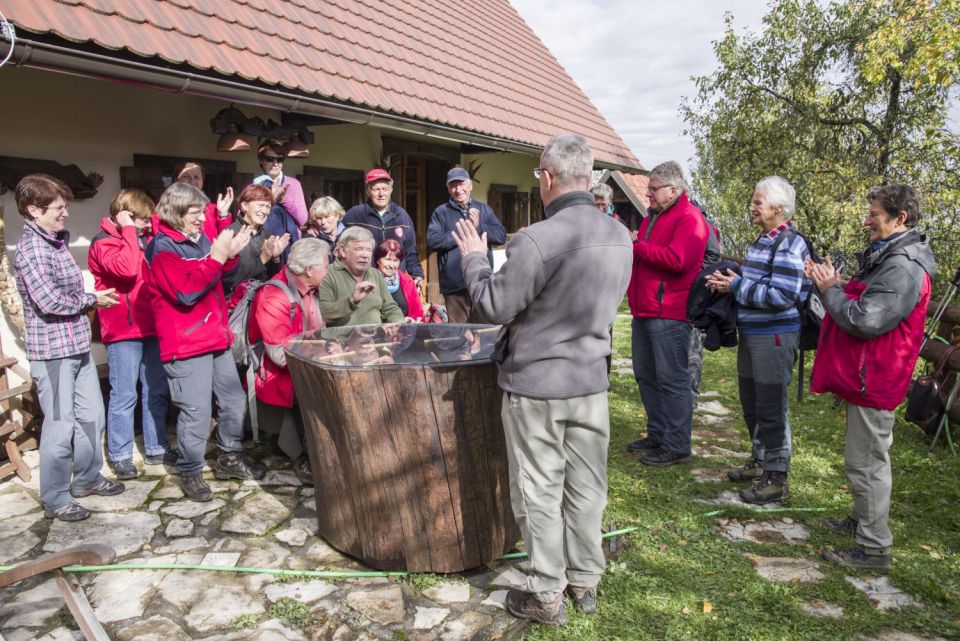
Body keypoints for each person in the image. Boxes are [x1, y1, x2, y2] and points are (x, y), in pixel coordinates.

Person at [453, 134, 632, 626]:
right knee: (588, 486)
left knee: (538, 489)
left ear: (548, 179)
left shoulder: (536, 238)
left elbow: (492, 306)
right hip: (590, 379)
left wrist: (473, 257)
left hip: (538, 386)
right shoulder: (621, 236)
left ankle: (546, 592)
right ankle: (585, 581)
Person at [807, 185, 935, 571]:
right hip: (867, 374)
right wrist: (837, 286)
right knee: (862, 458)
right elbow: (866, 301)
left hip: (876, 377)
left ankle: (874, 546)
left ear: (901, 219)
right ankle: (863, 520)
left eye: (874, 214)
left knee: (866, 463)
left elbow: (866, 319)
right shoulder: (890, 257)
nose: (866, 220)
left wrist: (830, 291)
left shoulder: (903, 266)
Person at [13, 174, 123, 522]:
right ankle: (56, 497)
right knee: (60, 426)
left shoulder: (57, 242)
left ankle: (87, 478)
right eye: (58, 208)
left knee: (92, 416)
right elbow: (48, 301)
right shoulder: (30, 250)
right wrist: (92, 299)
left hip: (76, 347)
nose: (65, 214)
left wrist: (86, 299)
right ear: (33, 209)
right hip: (53, 353)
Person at [146, 182, 265, 502]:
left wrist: (228, 259)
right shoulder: (162, 247)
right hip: (184, 343)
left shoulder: (199, 241)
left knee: (233, 400)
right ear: (175, 213)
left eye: (202, 212)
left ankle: (229, 456)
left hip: (215, 336)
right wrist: (217, 256)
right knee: (196, 411)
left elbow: (222, 280)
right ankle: (191, 470)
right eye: (194, 213)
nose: (201, 219)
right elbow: (185, 292)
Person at [706, 176, 810, 504]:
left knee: (771, 405)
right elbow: (757, 285)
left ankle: (777, 478)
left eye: (757, 203)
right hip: (753, 335)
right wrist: (731, 282)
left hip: (775, 336)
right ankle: (760, 460)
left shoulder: (790, 243)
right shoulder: (763, 240)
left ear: (779, 208)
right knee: (751, 403)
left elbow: (782, 295)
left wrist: (735, 286)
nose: (752, 208)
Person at [88, 189, 177, 481]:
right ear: (124, 214)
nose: (145, 225)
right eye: (140, 219)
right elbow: (126, 270)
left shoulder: (142, 239)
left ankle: (156, 446)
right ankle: (121, 455)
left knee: (155, 390)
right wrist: (128, 229)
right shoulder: (103, 242)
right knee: (124, 394)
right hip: (123, 330)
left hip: (151, 326)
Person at [625, 161, 709, 466]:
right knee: (646, 375)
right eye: (648, 187)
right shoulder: (653, 218)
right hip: (645, 309)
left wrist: (637, 247)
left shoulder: (690, 218)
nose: (648, 193)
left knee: (672, 379)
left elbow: (678, 260)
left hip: (670, 312)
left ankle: (677, 444)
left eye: (653, 188)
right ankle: (658, 433)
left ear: (673, 190)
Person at [248, 238, 332, 484]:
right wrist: (322, 354)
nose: (329, 270)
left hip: (307, 363)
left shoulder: (310, 289)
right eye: (326, 265)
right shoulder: (274, 295)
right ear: (308, 271)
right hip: (283, 376)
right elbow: (279, 355)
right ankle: (307, 458)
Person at [426, 167, 506, 323]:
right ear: (448, 189)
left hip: (482, 281)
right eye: (453, 185)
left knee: (482, 332)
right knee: (458, 336)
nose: (458, 190)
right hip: (454, 285)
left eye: (461, 184)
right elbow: (433, 240)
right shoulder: (441, 212)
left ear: (470, 185)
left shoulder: (484, 209)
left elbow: (501, 236)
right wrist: (463, 231)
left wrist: (479, 227)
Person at [342, 168, 424, 283]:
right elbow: (341, 247)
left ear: (391, 189)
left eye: (385, 189)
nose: (381, 194)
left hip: (395, 282)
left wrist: (417, 274)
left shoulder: (402, 216)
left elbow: (410, 251)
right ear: (368, 191)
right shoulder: (354, 215)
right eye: (376, 189)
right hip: (364, 281)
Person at [317, 227, 404, 327]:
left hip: (376, 340)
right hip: (342, 341)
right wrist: (351, 301)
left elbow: (391, 309)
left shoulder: (375, 274)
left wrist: (398, 325)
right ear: (342, 251)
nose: (365, 255)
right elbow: (323, 313)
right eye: (359, 249)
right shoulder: (327, 274)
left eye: (368, 250)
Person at [221, 183, 291, 299]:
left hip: (262, 300)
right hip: (237, 305)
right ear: (244, 205)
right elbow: (231, 281)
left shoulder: (267, 235)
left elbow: (274, 277)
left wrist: (275, 258)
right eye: (260, 205)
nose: (264, 211)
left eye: (268, 207)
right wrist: (263, 258)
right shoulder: (230, 233)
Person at [255, 141, 309, 260]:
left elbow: (303, 219)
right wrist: (271, 200)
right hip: (261, 245)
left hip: (288, 245)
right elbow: (244, 217)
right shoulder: (253, 184)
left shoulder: (293, 184)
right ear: (261, 161)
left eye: (279, 159)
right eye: (270, 159)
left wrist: (284, 199)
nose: (275, 163)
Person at [174, 161, 234, 242]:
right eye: (186, 176)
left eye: (197, 177)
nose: (192, 181)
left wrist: (223, 214)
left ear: (202, 180)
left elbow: (227, 241)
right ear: (176, 180)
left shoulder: (213, 209)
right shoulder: (166, 209)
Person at [374, 239, 425, 322]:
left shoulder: (407, 281)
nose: (391, 265)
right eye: (388, 259)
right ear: (378, 260)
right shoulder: (370, 280)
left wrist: (415, 321)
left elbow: (418, 312)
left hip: (405, 331)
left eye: (395, 260)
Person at [302, 196, 345, 262]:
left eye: (327, 217)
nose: (323, 222)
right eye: (319, 218)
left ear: (337, 216)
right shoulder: (310, 239)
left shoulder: (349, 235)